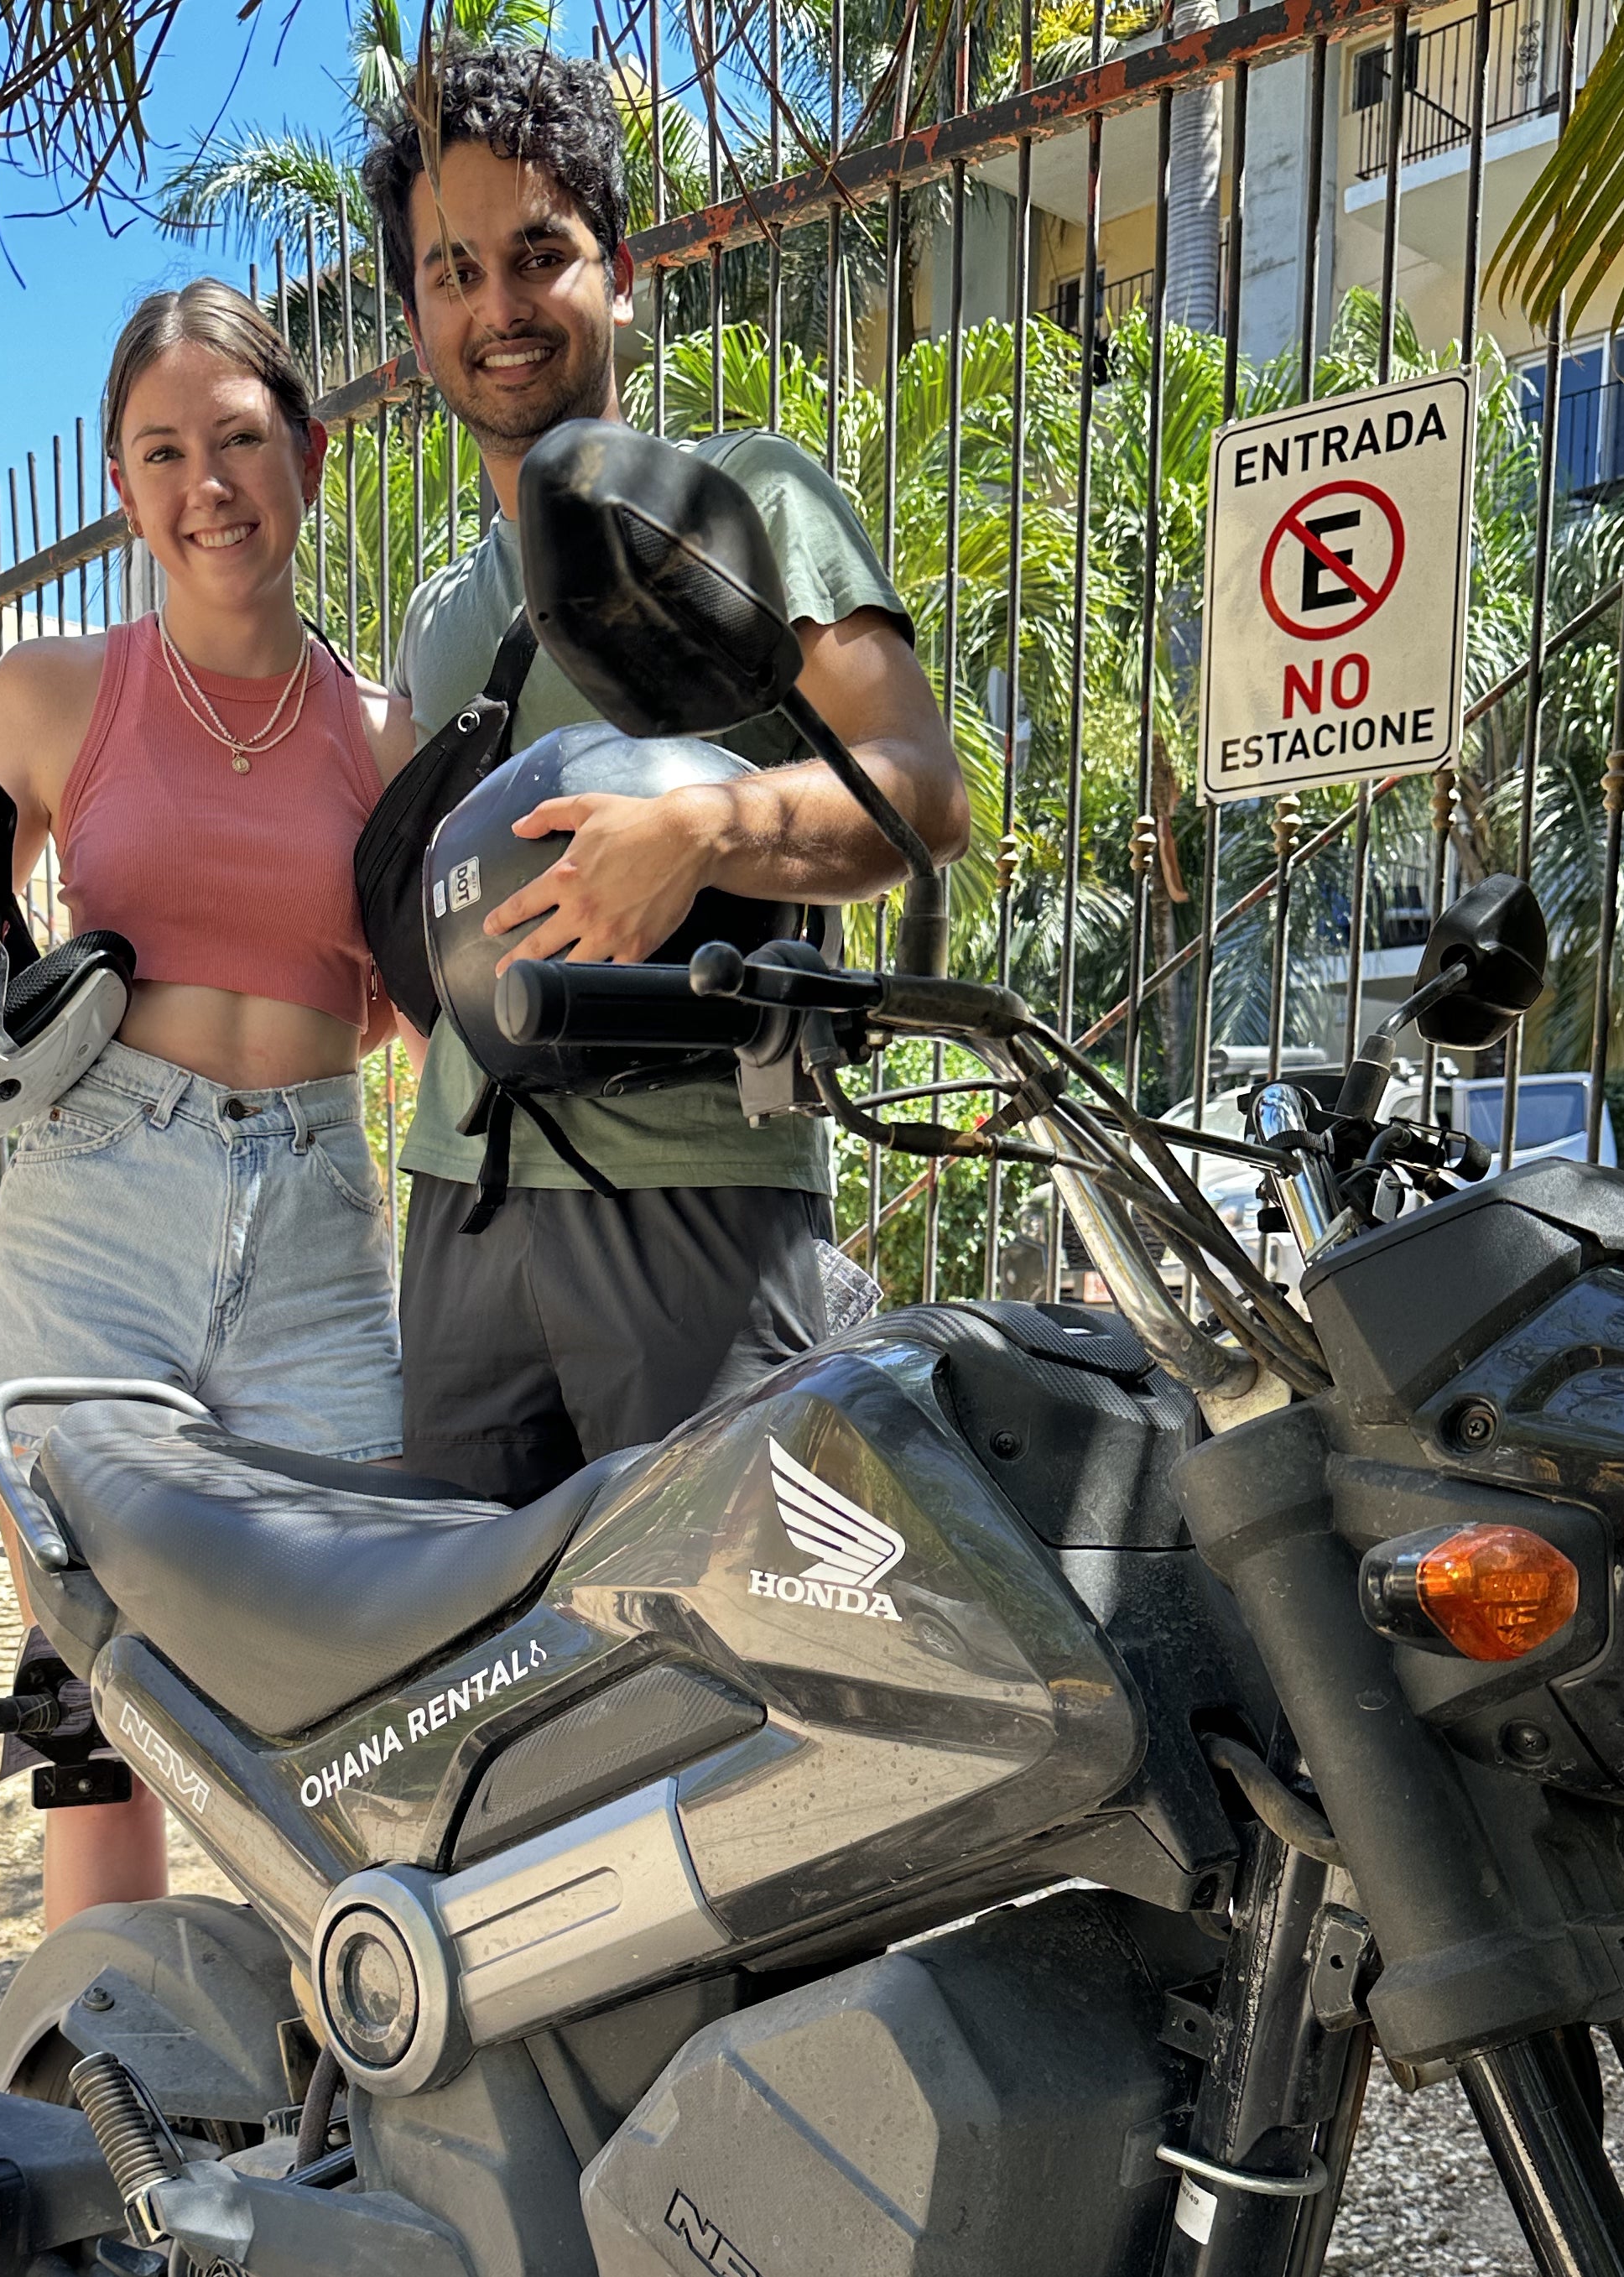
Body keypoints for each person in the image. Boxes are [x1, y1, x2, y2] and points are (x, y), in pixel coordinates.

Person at [0, 281, 412, 1925]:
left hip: (320, 1223)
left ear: (308, 456)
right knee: (102, 1716)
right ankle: (119, 2133)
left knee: (353, 1714)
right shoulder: (52, 698)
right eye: (164, 450)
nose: (209, 486)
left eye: (241, 440)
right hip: (99, 1202)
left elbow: (405, 1003)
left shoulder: (388, 732)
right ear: (123, 485)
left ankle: (340, 2148)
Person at [360, 42, 971, 1508]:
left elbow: (918, 793)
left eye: (536, 254)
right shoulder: (440, 618)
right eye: (451, 273)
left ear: (617, 271)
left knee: (727, 1674)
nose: (496, 308)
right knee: (476, 1680)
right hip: (462, 1195)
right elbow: (393, 917)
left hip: (695, 1192)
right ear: (413, 315)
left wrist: (699, 831)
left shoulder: (745, 498)